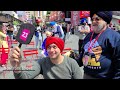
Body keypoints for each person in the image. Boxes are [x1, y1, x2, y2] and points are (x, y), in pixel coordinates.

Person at [9, 36, 83, 79]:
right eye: (48, 47)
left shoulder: (71, 63)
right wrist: (17, 67)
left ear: (60, 49)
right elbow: (25, 77)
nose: (51, 50)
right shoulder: (42, 62)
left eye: (54, 47)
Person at [77, 11, 120, 79]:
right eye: (92, 19)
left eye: (97, 19)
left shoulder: (114, 37)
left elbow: (118, 62)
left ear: (105, 21)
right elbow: (82, 55)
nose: (93, 22)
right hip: (87, 75)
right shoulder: (89, 36)